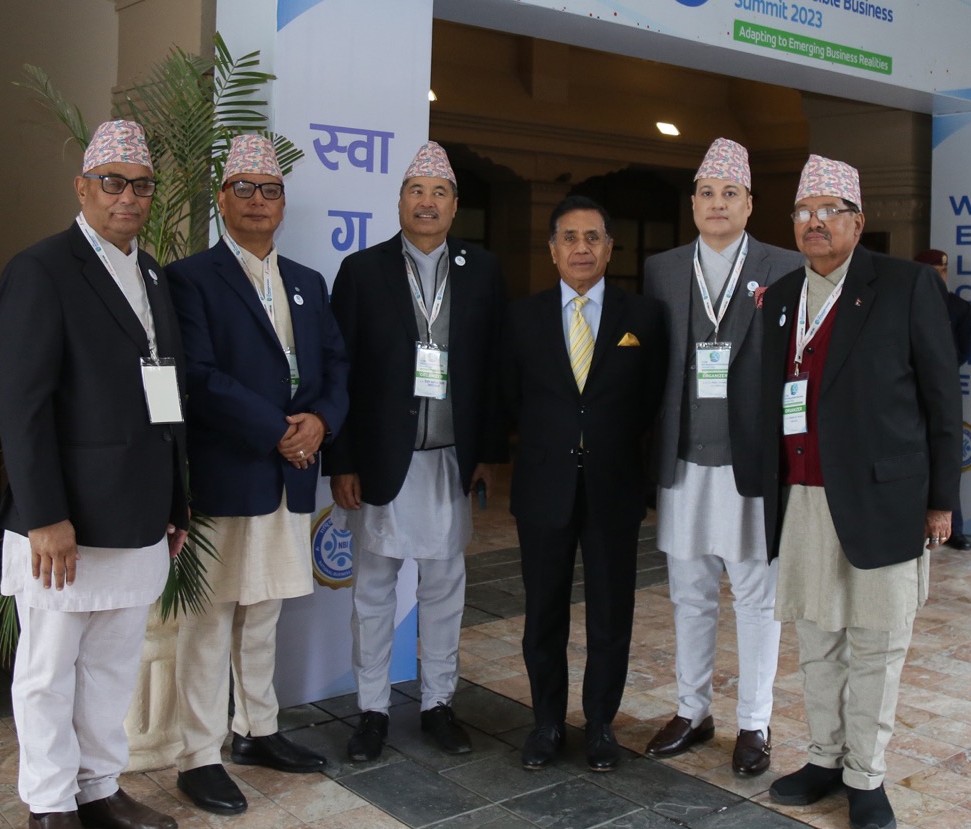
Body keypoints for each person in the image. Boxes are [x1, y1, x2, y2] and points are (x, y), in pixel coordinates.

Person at [0, 119, 187, 829]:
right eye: (112, 182)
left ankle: (99, 788)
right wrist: (44, 515)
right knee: (49, 670)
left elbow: (168, 394)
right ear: (82, 188)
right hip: (65, 521)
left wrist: (175, 501)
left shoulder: (154, 274)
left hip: (139, 511)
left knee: (111, 666)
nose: (127, 196)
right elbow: (23, 405)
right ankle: (50, 807)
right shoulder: (41, 269)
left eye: (140, 184)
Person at [758, 155, 960, 829]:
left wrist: (941, 499)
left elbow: (942, 398)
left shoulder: (904, 285)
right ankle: (823, 758)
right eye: (803, 211)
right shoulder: (782, 296)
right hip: (804, 496)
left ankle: (865, 777)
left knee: (876, 643)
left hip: (884, 499)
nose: (814, 222)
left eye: (829, 210)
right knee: (817, 640)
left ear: (858, 221)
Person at [167, 135, 348, 814]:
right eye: (243, 188)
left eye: (270, 190)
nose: (257, 201)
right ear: (222, 199)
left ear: (283, 203)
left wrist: (320, 423)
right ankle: (197, 755)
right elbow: (198, 376)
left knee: (264, 607)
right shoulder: (191, 278)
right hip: (229, 469)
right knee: (209, 615)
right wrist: (279, 430)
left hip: (290, 471)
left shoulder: (307, 281)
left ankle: (257, 729)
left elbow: (336, 367)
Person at [326, 141, 507, 761]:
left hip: (451, 458)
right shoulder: (362, 270)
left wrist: (488, 452)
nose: (427, 202)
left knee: (445, 586)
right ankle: (372, 710)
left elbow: (495, 369)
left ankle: (438, 704)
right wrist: (343, 460)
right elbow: (340, 373)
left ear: (455, 206)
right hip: (382, 459)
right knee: (375, 587)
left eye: (439, 193)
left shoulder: (483, 271)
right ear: (400, 201)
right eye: (416, 191)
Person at [643, 139, 801, 774]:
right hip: (683, 458)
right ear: (692, 203)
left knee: (757, 597)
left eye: (729, 193)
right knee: (689, 593)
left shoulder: (784, 265)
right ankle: (692, 710)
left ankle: (755, 723)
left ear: (749, 204)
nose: (717, 204)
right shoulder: (662, 268)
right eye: (707, 193)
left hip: (752, 461)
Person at [506, 195, 667, 772]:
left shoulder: (644, 317)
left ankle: (600, 725)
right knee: (543, 615)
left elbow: (652, 400)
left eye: (593, 237)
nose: (582, 247)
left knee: (610, 614)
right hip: (543, 487)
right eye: (569, 238)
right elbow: (510, 398)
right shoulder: (522, 317)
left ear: (609, 248)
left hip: (613, 485)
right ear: (552, 250)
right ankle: (546, 723)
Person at [915, 248, 971, 551]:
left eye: (943, 271)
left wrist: (939, 372)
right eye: (934, 271)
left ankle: (954, 528)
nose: (940, 276)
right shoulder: (905, 301)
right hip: (910, 392)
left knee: (946, 455)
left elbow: (964, 351)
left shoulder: (959, 307)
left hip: (942, 389)